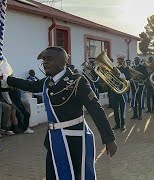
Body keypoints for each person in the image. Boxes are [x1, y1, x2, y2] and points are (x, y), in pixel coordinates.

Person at [0, 47, 117, 179]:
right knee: (54, 174)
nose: (45, 62)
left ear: (63, 62)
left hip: (75, 138)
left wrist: (109, 139)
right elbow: (28, 85)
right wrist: (5, 77)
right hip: (54, 139)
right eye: (44, 59)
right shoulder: (47, 82)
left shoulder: (77, 81)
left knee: (78, 175)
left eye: (49, 59)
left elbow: (96, 110)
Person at [111, 53, 130, 131]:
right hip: (114, 89)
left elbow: (128, 77)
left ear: (123, 60)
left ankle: (123, 124)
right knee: (115, 108)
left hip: (122, 89)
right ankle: (117, 124)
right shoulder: (113, 68)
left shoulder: (126, 68)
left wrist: (119, 74)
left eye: (121, 59)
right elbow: (110, 78)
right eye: (118, 59)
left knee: (122, 108)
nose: (119, 60)